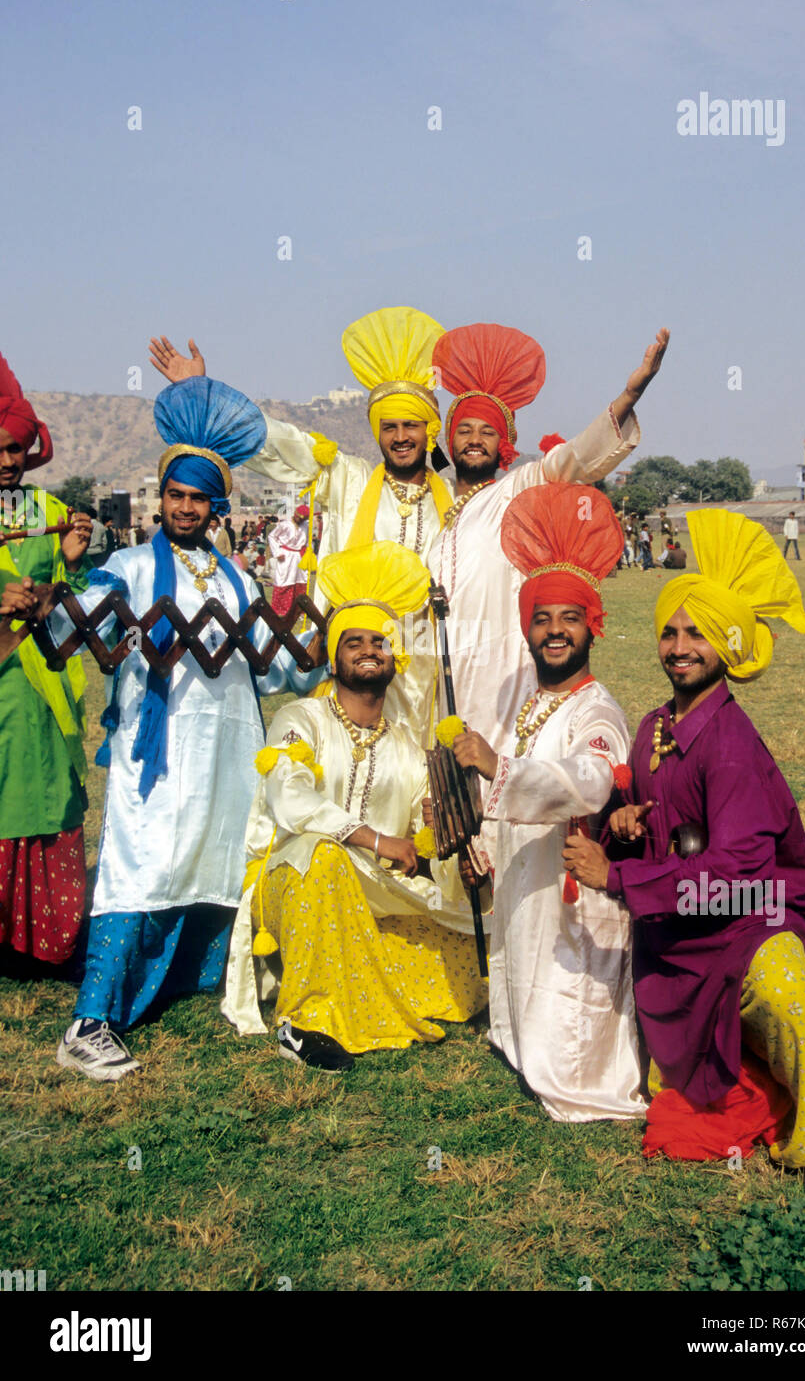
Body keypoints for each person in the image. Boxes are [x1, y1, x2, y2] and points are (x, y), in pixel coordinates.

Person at [564, 509, 805, 1200]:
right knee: (680, 1102)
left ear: (726, 648)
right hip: (680, 928)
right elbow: (639, 825)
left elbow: (735, 876)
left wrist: (621, 874)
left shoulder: (729, 744)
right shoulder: (654, 728)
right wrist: (627, 827)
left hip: (751, 917)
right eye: (670, 631)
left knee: (784, 995)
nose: (678, 646)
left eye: (697, 634)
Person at [44, 376, 322, 1081]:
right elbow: (82, 627)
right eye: (176, 495)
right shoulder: (131, 565)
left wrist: (306, 660)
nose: (186, 508)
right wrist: (75, 586)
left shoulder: (238, 579)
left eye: (199, 498)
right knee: (141, 860)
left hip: (231, 747)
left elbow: (264, 673)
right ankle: (91, 1021)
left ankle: (197, 979)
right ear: (161, 499)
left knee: (219, 853)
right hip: (158, 748)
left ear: (216, 506)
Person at [222, 541, 487, 1068]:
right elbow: (291, 799)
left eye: (380, 643)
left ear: (396, 658)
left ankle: (360, 987)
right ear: (335, 655)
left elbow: (419, 837)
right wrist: (374, 839)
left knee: (467, 965)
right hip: (294, 880)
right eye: (353, 643)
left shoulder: (409, 746)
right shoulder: (300, 719)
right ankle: (307, 1020)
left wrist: (435, 829)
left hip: (380, 890)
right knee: (324, 859)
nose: (369, 650)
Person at [149, 315, 455, 738]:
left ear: (430, 431)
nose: (401, 437)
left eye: (411, 426)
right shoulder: (350, 479)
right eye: (390, 427)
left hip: (429, 667)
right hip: (352, 659)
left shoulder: (456, 506)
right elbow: (282, 442)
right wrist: (199, 394)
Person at [451, 483, 644, 1122]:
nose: (554, 631)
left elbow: (591, 779)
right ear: (527, 630)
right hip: (526, 886)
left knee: (562, 1060)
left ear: (593, 627)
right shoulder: (535, 703)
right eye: (542, 619)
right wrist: (472, 828)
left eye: (569, 618)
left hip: (576, 906)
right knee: (521, 1021)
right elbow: (511, 780)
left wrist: (496, 767)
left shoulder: (597, 709)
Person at [427, 322, 669, 759]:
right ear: (450, 439)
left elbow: (576, 458)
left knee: (503, 775)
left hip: (507, 670)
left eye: (487, 431)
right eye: (465, 430)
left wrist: (630, 395)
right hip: (443, 677)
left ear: (504, 443)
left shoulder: (519, 488)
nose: (475, 439)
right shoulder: (435, 513)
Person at [0, 350, 93, 966]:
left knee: (43, 789)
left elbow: (75, 601)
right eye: (0, 449)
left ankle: (41, 940)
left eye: (16, 450)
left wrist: (75, 561)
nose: (9, 462)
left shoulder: (43, 513)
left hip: (40, 685)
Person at [267, 503, 310, 617]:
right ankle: (281, 609)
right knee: (284, 580)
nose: (300, 521)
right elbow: (272, 536)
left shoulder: (306, 526)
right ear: (295, 515)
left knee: (300, 580)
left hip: (299, 556)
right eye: (299, 518)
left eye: (303, 519)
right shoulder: (285, 525)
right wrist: (277, 552)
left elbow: (307, 542)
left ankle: (298, 610)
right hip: (285, 556)